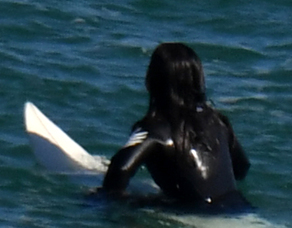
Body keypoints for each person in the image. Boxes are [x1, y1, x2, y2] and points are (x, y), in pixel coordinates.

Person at [100, 42, 250, 209]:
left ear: (153, 80)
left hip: (198, 213)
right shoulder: (218, 120)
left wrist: (107, 197)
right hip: (239, 207)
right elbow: (241, 169)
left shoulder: (155, 129)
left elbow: (120, 170)